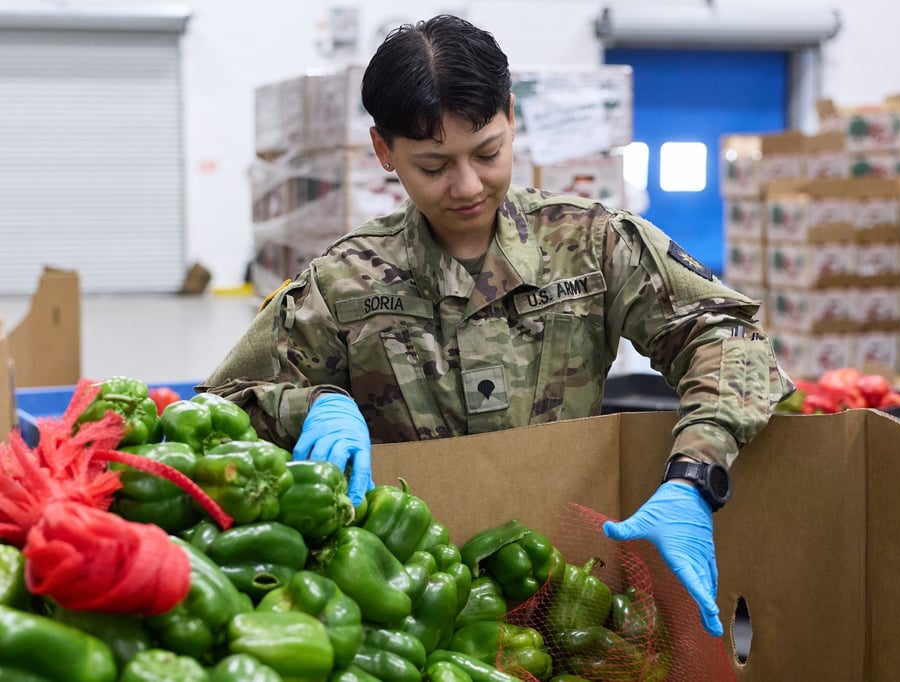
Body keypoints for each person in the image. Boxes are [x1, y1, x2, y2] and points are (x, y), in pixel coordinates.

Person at [200, 14, 793, 637]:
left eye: (488, 153)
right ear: (384, 151)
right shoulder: (344, 283)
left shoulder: (590, 245)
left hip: (575, 593)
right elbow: (220, 409)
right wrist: (313, 405)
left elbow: (730, 339)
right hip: (412, 600)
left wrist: (695, 475)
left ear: (512, 116)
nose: (467, 186)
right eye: (433, 166)